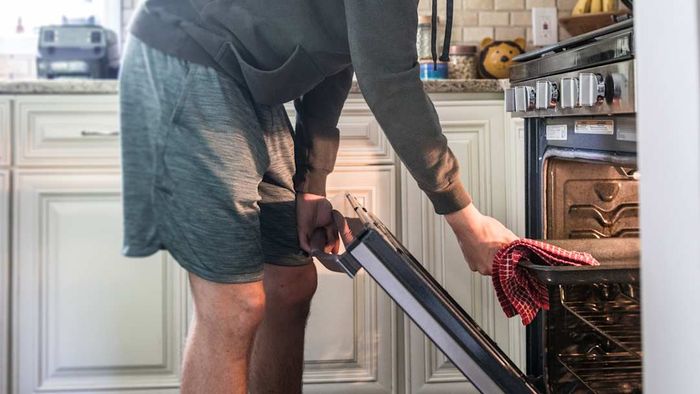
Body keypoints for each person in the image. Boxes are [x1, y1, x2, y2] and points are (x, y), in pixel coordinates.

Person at [119, 0, 517, 393]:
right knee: (234, 307)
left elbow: (338, 56)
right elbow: (389, 81)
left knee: (289, 285)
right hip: (189, 54)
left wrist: (311, 186)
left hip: (247, 85)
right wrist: (467, 220)